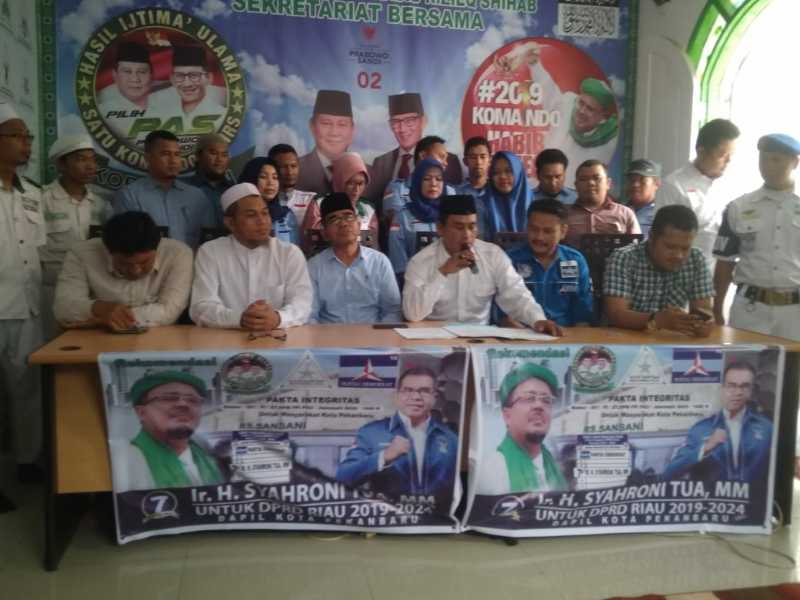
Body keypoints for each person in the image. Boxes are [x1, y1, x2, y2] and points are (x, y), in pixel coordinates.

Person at [402, 194, 562, 336]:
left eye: (472, 226)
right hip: (436, 340)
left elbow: (515, 293)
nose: (467, 235)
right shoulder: (421, 261)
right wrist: (443, 272)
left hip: (479, 340)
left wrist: (537, 319)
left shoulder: (492, 255)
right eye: (459, 227)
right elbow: (412, 314)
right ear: (440, 228)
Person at [190, 183, 312, 332]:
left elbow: (302, 304)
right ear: (230, 223)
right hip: (226, 340)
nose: (262, 221)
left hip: (278, 339)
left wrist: (278, 318)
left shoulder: (289, 253)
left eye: (265, 213)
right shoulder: (211, 252)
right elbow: (201, 307)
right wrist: (239, 319)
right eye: (251, 215)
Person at [713, 133, 800, 335]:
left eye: (776, 160)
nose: (768, 166)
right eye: (763, 159)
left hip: (795, 313)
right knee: (744, 357)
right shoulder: (738, 207)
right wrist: (717, 307)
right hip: (749, 310)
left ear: (795, 163)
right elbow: (724, 263)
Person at [0, 102, 45, 480]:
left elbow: (37, 249)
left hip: (26, 307)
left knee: (27, 390)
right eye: (16, 136)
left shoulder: (32, 193)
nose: (26, 143)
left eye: (28, 137)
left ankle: (28, 463)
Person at [335, 366, 458, 501]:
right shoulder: (371, 432)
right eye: (408, 390)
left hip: (437, 513)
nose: (416, 397)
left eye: (424, 391)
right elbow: (342, 478)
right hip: (387, 512)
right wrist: (384, 456)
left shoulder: (451, 437)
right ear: (397, 396)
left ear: (435, 397)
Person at [53, 211, 193, 330]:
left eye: (144, 262)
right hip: (96, 338)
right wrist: (100, 308)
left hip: (159, 339)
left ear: (157, 247)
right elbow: (63, 308)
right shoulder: (81, 253)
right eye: (124, 263)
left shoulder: (178, 253)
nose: (135, 271)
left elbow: (169, 311)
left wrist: (102, 320)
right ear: (108, 251)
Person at [494, 41, 618, 174]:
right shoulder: (569, 103)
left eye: (590, 109)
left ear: (603, 116)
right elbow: (549, 90)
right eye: (581, 103)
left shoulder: (608, 142)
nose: (582, 111)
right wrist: (534, 64)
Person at [662, 362, 772, 500]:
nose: (738, 392)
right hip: (712, 506)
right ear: (722, 389)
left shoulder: (768, 428)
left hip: (752, 505)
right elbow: (669, 474)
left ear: (751, 391)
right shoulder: (701, 429)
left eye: (744, 386)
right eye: (731, 386)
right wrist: (706, 448)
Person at [39, 134, 110, 339]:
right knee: (48, 345)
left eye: (92, 159)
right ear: (62, 164)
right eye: (81, 159)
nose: (90, 166)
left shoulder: (100, 204)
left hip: (90, 293)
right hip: (49, 291)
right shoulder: (41, 200)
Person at [604, 204, 714, 336]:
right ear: (651, 237)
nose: (678, 255)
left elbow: (704, 310)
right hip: (625, 339)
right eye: (670, 247)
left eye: (685, 248)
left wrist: (703, 323)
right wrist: (656, 320)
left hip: (669, 340)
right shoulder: (624, 258)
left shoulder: (696, 259)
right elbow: (616, 314)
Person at [112, 371, 224, 492]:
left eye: (192, 400)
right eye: (169, 398)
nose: (183, 404)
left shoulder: (209, 459)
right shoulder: (122, 461)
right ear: (141, 412)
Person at [656, 118, 740, 266]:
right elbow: (663, 238)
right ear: (701, 151)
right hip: (686, 273)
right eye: (722, 155)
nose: (728, 161)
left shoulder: (730, 185)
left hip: (723, 272)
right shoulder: (674, 185)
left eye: (731, 155)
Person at [307, 193, 401, 324]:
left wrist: (380, 335)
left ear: (359, 224)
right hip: (329, 336)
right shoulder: (314, 266)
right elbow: (310, 315)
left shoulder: (379, 262)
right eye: (334, 220)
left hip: (373, 334)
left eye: (348, 216)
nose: (343, 224)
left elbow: (392, 311)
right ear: (324, 233)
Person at [115, 130, 215, 249]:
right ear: (148, 158)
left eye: (177, 154)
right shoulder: (130, 196)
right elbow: (126, 243)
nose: (173, 161)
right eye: (165, 154)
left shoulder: (197, 196)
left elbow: (210, 241)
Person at [477, 363, 568, 494]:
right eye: (529, 398)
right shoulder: (493, 470)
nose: (539, 405)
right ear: (507, 415)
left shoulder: (553, 466)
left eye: (546, 400)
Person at [506, 199, 594, 327]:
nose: (539, 237)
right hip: (523, 332)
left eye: (547, 231)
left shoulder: (575, 261)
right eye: (534, 229)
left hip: (565, 333)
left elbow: (583, 314)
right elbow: (503, 311)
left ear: (563, 232)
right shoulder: (510, 260)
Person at [367, 93, 463, 204]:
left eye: (410, 121)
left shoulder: (450, 162)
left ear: (423, 121)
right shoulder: (381, 162)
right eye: (395, 122)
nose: (402, 129)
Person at [301, 152, 378, 251]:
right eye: (350, 183)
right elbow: (311, 238)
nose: (356, 189)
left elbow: (372, 242)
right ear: (339, 179)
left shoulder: (367, 208)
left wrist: (340, 235)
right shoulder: (320, 203)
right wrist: (359, 236)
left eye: (360, 183)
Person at [387, 158, 447, 278]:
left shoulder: (450, 214)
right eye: (427, 179)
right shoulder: (402, 217)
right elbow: (398, 262)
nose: (433, 183)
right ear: (417, 181)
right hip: (413, 282)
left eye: (438, 179)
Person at [563, 160, 640, 248]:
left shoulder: (626, 214)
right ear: (576, 185)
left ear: (608, 183)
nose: (591, 183)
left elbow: (637, 249)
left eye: (597, 178)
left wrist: (620, 238)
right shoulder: (563, 214)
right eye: (583, 179)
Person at [297, 90, 354, 195]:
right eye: (326, 123)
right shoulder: (295, 170)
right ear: (312, 126)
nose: (334, 132)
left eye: (342, 124)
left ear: (352, 129)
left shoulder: (369, 174)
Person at [150, 45, 225, 125]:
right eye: (179, 75)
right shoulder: (159, 114)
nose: (187, 84)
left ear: (209, 78)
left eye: (194, 75)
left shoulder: (222, 116)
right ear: (172, 79)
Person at [97, 41, 153, 143]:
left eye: (142, 72)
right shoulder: (101, 113)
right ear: (115, 75)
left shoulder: (170, 102)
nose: (135, 79)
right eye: (127, 71)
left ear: (151, 75)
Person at [238, 157, 299, 245]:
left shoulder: (286, 216)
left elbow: (295, 248)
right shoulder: (238, 216)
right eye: (263, 177)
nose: (270, 182)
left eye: (275, 177)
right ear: (251, 179)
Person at [481, 150, 533, 242]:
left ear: (518, 172)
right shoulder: (482, 204)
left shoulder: (536, 203)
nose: (502, 177)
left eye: (508, 171)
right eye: (496, 172)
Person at [186, 133, 236, 228]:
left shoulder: (234, 189)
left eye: (224, 155)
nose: (219, 159)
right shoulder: (183, 187)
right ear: (198, 156)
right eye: (214, 153)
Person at [268, 143, 317, 225]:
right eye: (283, 167)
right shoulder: (262, 203)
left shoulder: (311, 199)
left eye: (293, 166)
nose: (290, 172)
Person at [456, 136, 491, 238]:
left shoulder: (497, 191)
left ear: (490, 160)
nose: (478, 162)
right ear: (465, 161)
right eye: (473, 157)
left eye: (483, 157)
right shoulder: (456, 193)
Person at [624, 159, 661, 237]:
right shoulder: (620, 210)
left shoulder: (660, 214)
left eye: (642, 180)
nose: (635, 185)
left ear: (657, 184)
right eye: (632, 180)